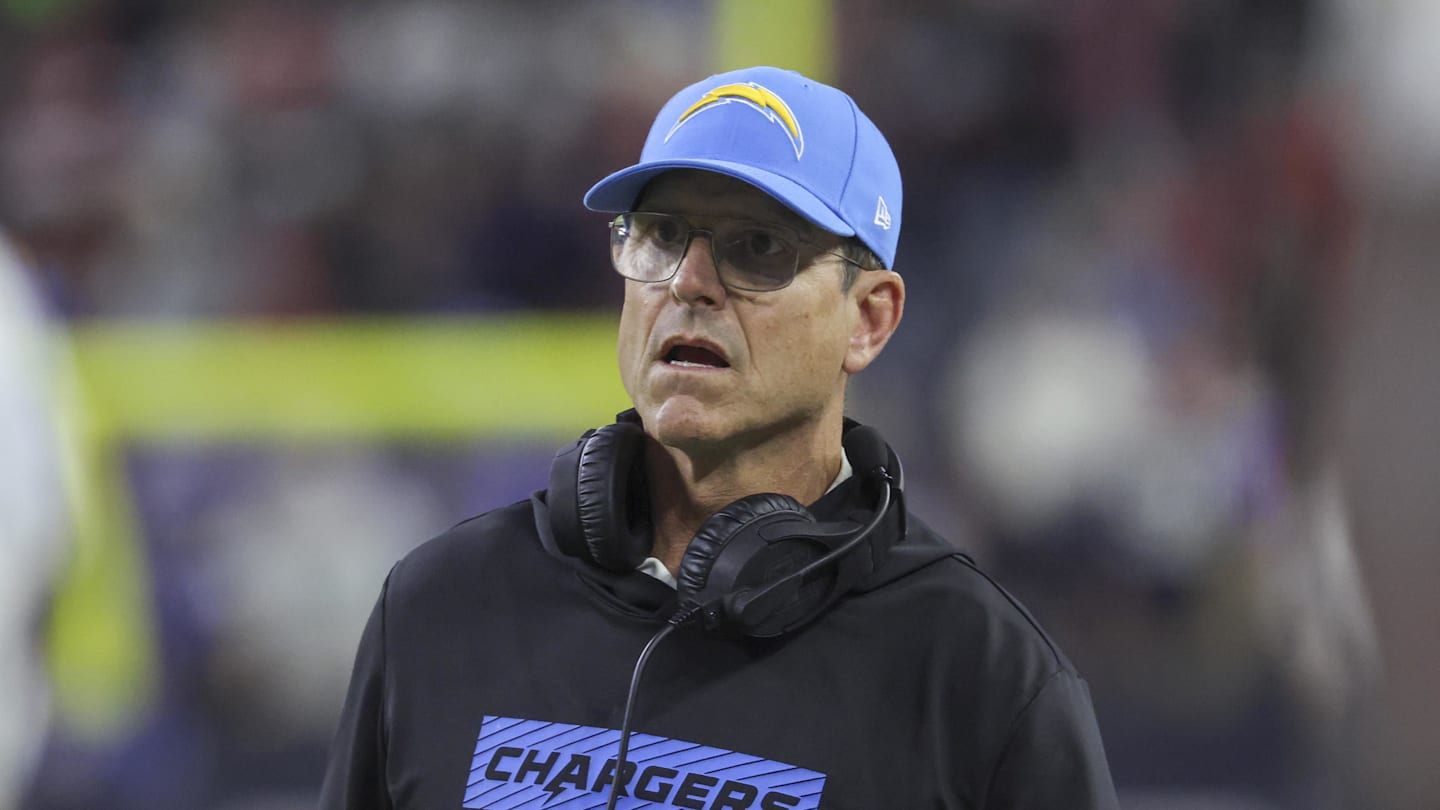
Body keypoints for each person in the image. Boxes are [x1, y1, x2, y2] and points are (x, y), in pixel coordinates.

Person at [320, 66, 1119, 809]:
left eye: (758, 247)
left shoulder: (980, 679)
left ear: (869, 319)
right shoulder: (439, 607)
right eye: (661, 235)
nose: (688, 282)